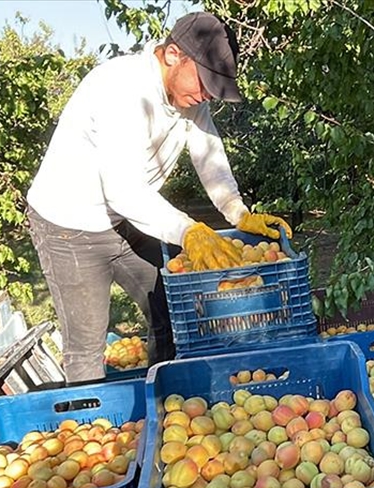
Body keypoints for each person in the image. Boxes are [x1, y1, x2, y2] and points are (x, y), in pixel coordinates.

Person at [24, 11, 291, 384]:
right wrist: (187, 230)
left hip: (129, 221)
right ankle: (93, 412)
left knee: (171, 313)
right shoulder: (120, 90)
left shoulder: (190, 96)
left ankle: (169, 399)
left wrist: (236, 210)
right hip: (69, 227)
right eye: (204, 82)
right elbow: (123, 190)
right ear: (172, 55)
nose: (206, 95)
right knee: (86, 347)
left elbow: (208, 154)